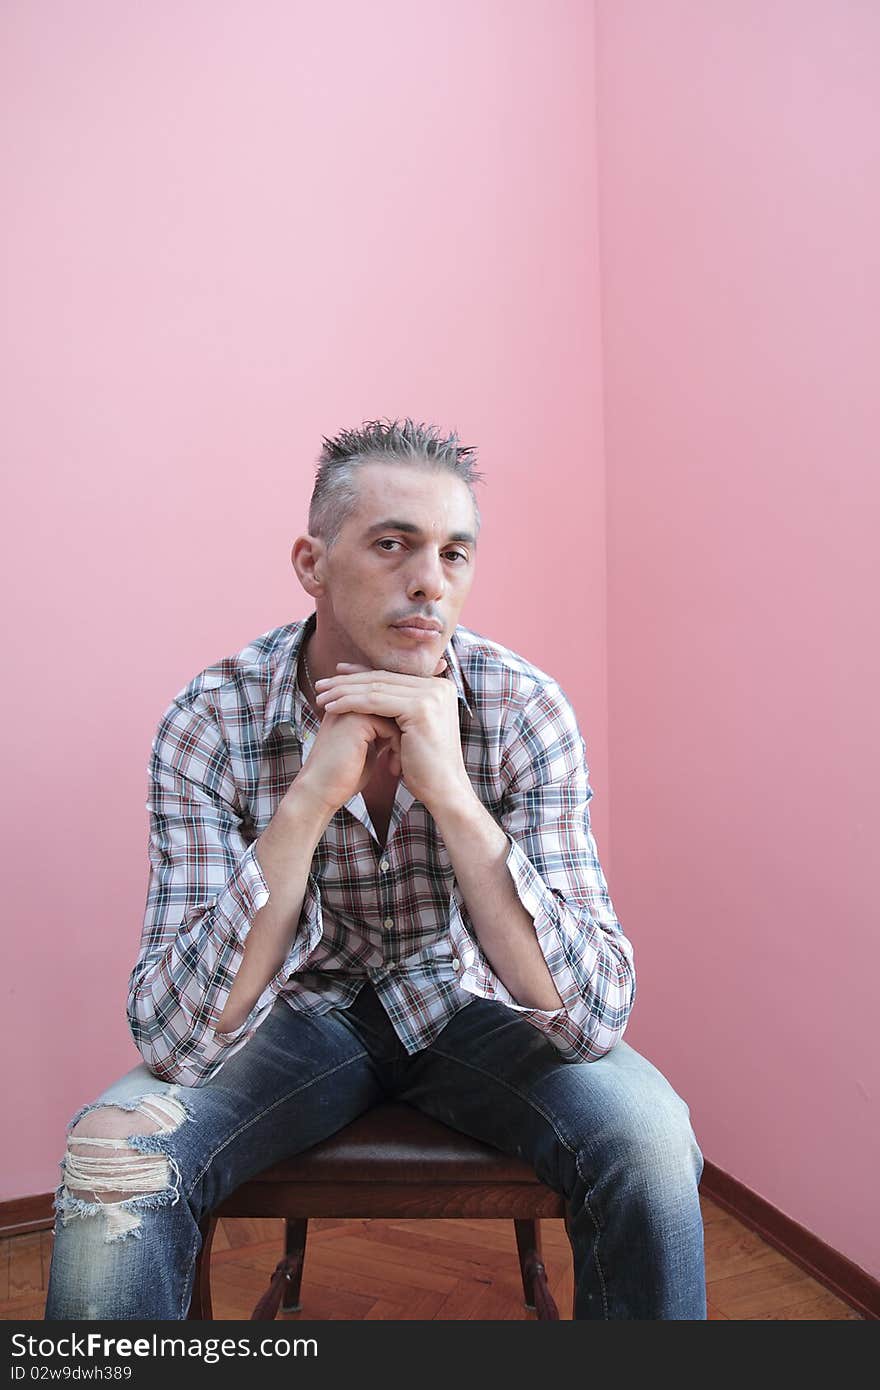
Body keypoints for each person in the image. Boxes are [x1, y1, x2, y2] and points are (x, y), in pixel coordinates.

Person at [45, 418, 706, 1320]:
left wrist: (455, 801)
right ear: (311, 564)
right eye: (392, 544)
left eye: (454, 553)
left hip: (471, 1007)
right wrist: (309, 800)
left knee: (653, 1140)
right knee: (111, 1163)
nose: (430, 581)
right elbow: (173, 1038)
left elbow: (591, 1018)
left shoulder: (522, 709)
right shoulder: (211, 718)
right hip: (296, 1019)